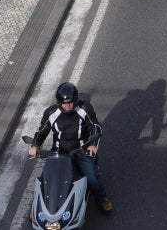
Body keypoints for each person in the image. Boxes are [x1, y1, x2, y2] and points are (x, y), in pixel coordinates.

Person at [28, 83, 112, 213]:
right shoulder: (51, 113)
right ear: (58, 102)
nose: (67, 106)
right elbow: (42, 131)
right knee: (47, 180)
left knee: (93, 180)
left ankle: (101, 199)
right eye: (64, 103)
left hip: (82, 151)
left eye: (70, 103)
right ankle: (36, 208)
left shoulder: (85, 109)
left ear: (76, 100)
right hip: (59, 152)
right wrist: (35, 145)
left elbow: (96, 127)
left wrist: (93, 146)